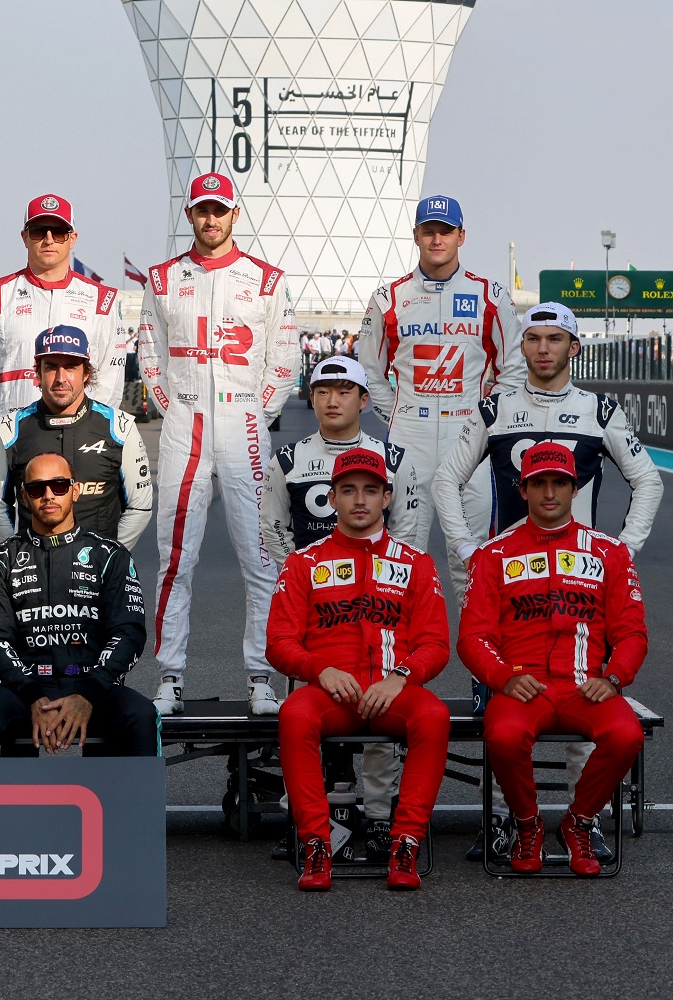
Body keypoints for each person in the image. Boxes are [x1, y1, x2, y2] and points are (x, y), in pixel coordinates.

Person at [433, 301, 662, 863]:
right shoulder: (494, 407)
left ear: (572, 348)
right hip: (506, 569)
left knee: (589, 685)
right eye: (532, 338)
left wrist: (623, 552)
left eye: (553, 339)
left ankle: (588, 820)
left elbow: (648, 481)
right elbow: (445, 479)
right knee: (497, 701)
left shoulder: (599, 409)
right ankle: (505, 819)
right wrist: (468, 549)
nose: (541, 348)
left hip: (584, 572)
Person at [137, 171, 299, 715]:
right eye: (202, 210)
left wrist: (256, 409)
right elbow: (149, 354)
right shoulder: (160, 279)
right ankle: (171, 676)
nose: (211, 219)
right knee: (174, 557)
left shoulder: (268, 279)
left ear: (234, 214)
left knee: (261, 557)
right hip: (184, 427)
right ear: (190, 216)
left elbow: (284, 357)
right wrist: (173, 405)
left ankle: (260, 677)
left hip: (243, 426)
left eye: (220, 210)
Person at [458, 443, 647, 877]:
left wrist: (615, 678)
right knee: (503, 735)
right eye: (538, 483)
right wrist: (503, 678)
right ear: (521, 490)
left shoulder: (610, 553)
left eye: (558, 483)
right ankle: (528, 826)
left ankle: (578, 823)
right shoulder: (494, 554)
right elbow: (473, 637)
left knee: (626, 734)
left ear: (574, 488)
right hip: (523, 686)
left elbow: (632, 633)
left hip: (586, 684)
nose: (549, 492)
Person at [267, 447, 451, 891]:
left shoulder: (416, 563)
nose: (360, 500)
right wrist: (319, 670)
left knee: (434, 716)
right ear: (332, 498)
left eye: (371, 490)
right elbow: (278, 642)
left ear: (387, 497)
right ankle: (316, 843)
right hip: (331, 693)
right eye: (348, 491)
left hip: (392, 691)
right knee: (293, 714)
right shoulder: (304, 562)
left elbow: (437, 644)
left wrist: (401, 675)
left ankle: (405, 841)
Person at [260, 354, 423, 854]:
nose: (333, 400)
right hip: (314, 601)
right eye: (323, 391)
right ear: (311, 398)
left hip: (381, 603)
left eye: (344, 390)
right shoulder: (287, 459)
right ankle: (306, 822)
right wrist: (308, 576)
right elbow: (271, 528)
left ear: (364, 400)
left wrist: (382, 580)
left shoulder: (393, 457)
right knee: (304, 705)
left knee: (378, 701)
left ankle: (377, 817)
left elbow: (409, 533)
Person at [354, 194, 524, 598]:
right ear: (415, 235)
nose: (436, 240)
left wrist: (485, 419)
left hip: (468, 432)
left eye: (445, 231)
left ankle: (478, 658)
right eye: (428, 231)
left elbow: (513, 369)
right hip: (409, 432)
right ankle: (396, 656)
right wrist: (396, 413)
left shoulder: (491, 296)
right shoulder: (388, 298)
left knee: (470, 555)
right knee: (401, 554)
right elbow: (370, 372)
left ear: (461, 236)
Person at [0, 452, 156, 757]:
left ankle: (132, 806)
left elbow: (128, 633)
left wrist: (89, 692)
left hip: (94, 684)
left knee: (143, 716)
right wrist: (32, 696)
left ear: (75, 490)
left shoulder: (110, 556)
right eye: (37, 489)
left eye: (59, 486)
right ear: (24, 497)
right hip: (23, 688)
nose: (48, 495)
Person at [0, 194, 124, 431]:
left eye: (58, 232)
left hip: (81, 437)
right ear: (25, 237)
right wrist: (0, 428)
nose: (49, 240)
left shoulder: (103, 299)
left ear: (72, 239)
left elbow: (111, 378)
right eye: (39, 230)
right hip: (13, 436)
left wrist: (89, 428)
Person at [0, 325, 153, 547]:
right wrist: (21, 558)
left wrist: (109, 559)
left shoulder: (120, 427)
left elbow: (140, 507)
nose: (61, 378)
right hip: (34, 570)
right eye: (52, 367)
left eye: (71, 367)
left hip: (101, 572)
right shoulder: (9, 429)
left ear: (86, 373)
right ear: (38, 373)